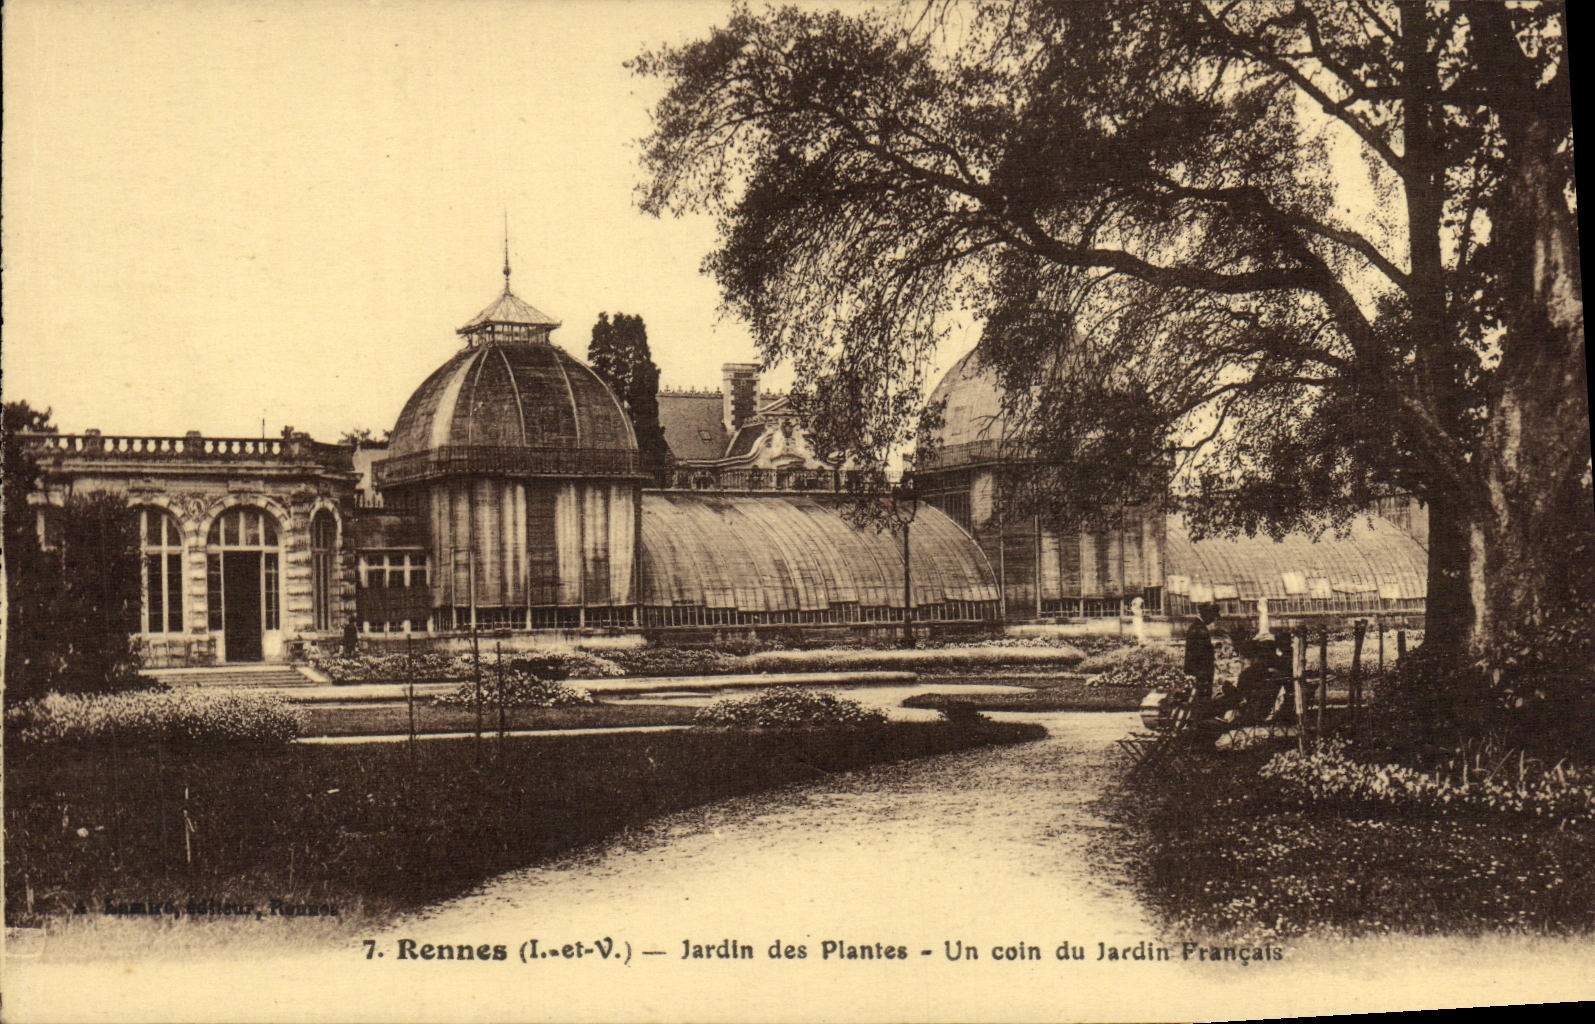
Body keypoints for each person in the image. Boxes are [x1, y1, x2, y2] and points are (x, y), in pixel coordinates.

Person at [1182, 602, 1219, 713]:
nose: (1213, 620)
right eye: (1213, 616)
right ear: (1207, 614)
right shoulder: (1200, 630)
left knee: (1197, 700)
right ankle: (1200, 720)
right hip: (1202, 671)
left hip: (1198, 671)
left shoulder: (1196, 627)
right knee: (1201, 701)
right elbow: (1200, 654)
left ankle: (1198, 719)